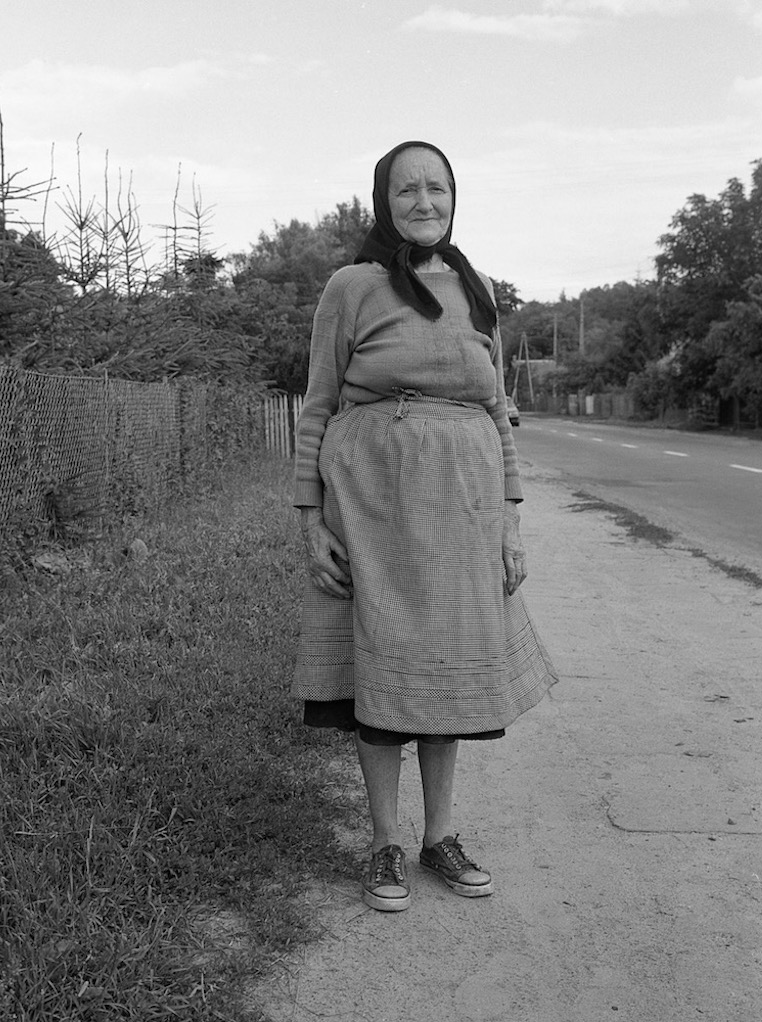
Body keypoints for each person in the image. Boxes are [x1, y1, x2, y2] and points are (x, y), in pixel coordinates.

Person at [292, 140, 558, 912]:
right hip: (370, 505)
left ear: (454, 197)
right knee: (380, 668)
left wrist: (510, 520)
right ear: (384, 201)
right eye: (407, 190)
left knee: (444, 677)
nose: (424, 202)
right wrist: (311, 521)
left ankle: (438, 836)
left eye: (437, 188)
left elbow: (496, 413)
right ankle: (384, 844)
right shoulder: (352, 286)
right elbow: (317, 405)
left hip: (464, 515)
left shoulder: (475, 292)